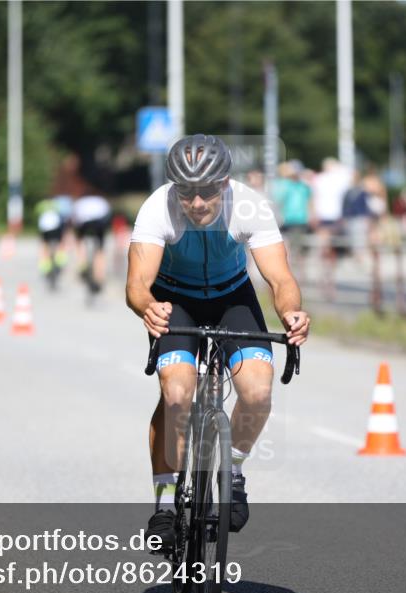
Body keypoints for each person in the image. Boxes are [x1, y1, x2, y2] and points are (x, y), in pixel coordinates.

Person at [126, 134, 310, 547]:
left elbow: (280, 278)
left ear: (225, 184)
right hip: (176, 299)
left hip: (232, 297)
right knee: (176, 394)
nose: (195, 203)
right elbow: (137, 284)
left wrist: (290, 313)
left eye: (206, 192)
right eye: (186, 192)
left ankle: (235, 470)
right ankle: (166, 501)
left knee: (258, 391)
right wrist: (147, 307)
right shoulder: (158, 207)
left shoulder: (250, 205)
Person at [270, 161, 311, 264]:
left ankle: (297, 271)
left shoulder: (303, 186)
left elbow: (309, 202)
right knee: (285, 247)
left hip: (299, 220)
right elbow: (277, 200)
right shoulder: (283, 184)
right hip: (285, 220)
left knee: (297, 248)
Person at [71, 192, 112, 294]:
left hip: (84, 224)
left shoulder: (80, 201)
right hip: (99, 224)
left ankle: (82, 264)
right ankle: (100, 276)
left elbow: (75, 218)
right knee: (100, 250)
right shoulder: (101, 200)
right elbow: (107, 216)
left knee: (79, 242)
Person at [35, 198, 68, 287]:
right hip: (57, 228)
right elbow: (62, 217)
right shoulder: (57, 205)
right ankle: (60, 259)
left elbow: (38, 216)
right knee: (61, 242)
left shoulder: (41, 204)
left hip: (45, 229)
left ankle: (45, 265)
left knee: (44, 245)